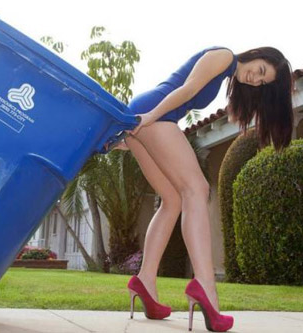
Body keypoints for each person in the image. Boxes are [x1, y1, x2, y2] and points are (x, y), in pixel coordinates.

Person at [121, 46, 293, 332]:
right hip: (154, 115)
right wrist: (150, 118)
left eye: (262, 82)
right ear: (257, 55)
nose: (255, 79)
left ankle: (145, 281)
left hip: (145, 115)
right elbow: (187, 90)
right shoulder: (224, 56)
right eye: (261, 71)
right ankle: (205, 285)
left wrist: (136, 127)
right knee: (197, 190)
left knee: (173, 200)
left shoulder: (227, 73)